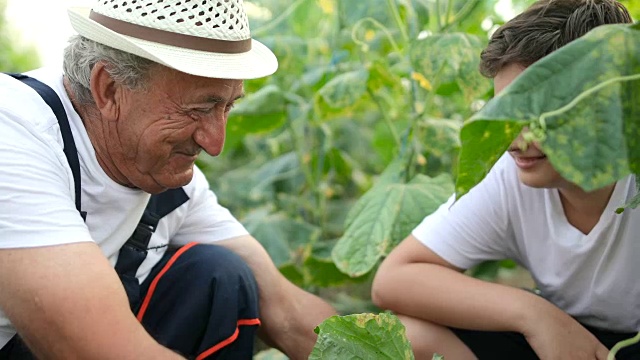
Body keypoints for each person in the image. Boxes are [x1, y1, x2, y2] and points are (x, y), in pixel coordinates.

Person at [0, 1, 336, 359]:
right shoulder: (14, 134)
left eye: (227, 107)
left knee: (218, 275)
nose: (215, 143)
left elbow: (287, 313)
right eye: (199, 109)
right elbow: (96, 350)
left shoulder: (167, 180)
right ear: (109, 89)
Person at [371, 0, 639, 359]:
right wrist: (536, 315)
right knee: (409, 336)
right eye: (505, 112)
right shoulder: (511, 177)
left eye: (535, 114)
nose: (514, 138)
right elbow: (394, 280)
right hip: (565, 335)